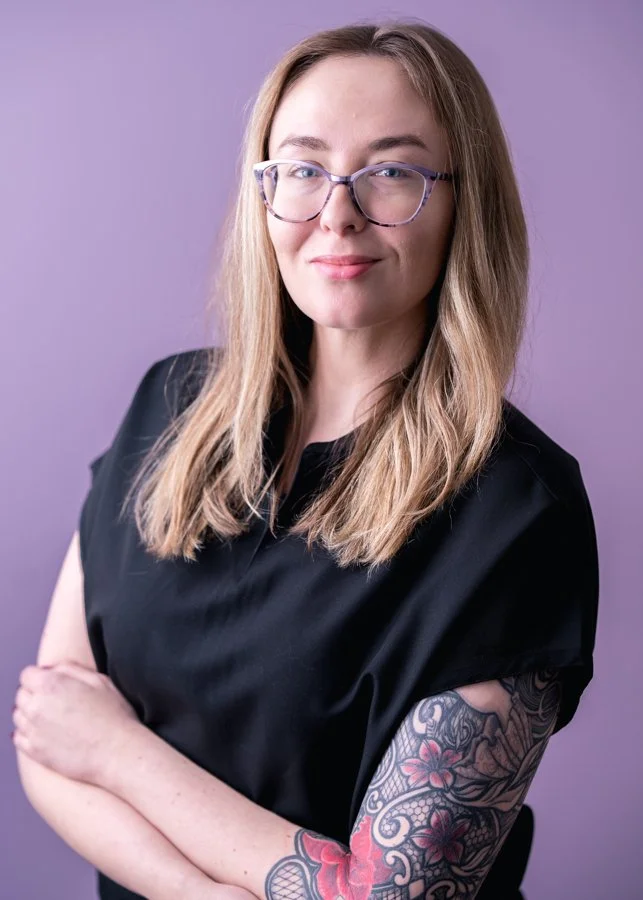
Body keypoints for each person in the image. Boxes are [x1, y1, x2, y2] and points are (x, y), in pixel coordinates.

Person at [14, 18, 599, 900]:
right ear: (264, 191)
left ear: (461, 201)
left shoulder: (518, 510)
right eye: (302, 168)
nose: (337, 214)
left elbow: (387, 897)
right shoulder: (166, 411)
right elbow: (47, 735)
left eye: (391, 173)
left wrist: (117, 750)